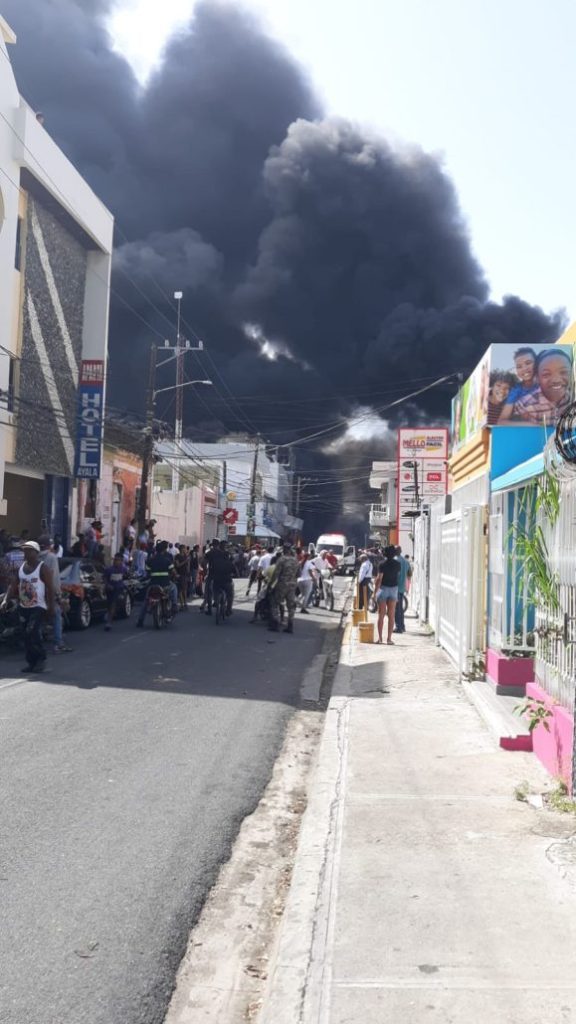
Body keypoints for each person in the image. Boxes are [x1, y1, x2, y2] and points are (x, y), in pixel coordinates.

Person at [3, 540, 55, 672]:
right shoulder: (21, 568)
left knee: (32, 632)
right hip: (23, 607)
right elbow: (12, 585)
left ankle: (41, 658)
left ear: (36, 553)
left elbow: (50, 589)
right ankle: (31, 662)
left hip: (38, 606)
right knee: (25, 635)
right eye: (24, 550)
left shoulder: (43, 568)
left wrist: (51, 607)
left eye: (28, 550)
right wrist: (5, 600)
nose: (25, 552)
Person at [513, 349, 572, 424]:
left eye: (564, 372)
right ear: (537, 378)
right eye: (546, 374)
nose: (556, 380)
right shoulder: (523, 406)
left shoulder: (572, 398)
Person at [39, 534, 72, 654]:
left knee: (41, 617)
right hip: (50, 591)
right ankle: (58, 643)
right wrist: (57, 594)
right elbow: (53, 577)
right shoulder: (51, 557)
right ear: (49, 545)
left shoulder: (35, 557)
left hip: (39, 592)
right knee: (57, 616)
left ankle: (38, 641)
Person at [136, 541, 178, 626]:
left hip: (153, 584)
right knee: (174, 588)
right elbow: (173, 572)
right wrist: (176, 575)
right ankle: (174, 605)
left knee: (146, 601)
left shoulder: (150, 560)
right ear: (164, 550)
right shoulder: (167, 560)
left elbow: (147, 572)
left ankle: (140, 620)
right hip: (165, 585)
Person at [497, 347, 538, 423]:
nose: (524, 368)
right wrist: (530, 425)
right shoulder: (516, 390)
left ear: (537, 363)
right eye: (519, 367)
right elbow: (501, 421)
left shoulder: (545, 384)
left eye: (528, 363)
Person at [373, 545, 400, 645]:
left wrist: (375, 592)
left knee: (381, 614)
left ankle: (380, 639)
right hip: (394, 589)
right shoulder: (398, 564)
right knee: (391, 615)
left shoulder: (382, 564)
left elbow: (379, 579)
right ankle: (389, 639)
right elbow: (396, 575)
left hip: (383, 588)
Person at [269, 545, 299, 634]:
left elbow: (276, 574)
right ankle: (290, 625)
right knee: (291, 606)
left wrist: (271, 585)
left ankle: (275, 624)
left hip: (282, 584)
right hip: (292, 585)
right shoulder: (296, 560)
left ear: (284, 551)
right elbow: (299, 574)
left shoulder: (281, 560)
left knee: (275, 603)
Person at [205, 539, 235, 615]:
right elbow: (233, 567)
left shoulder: (211, 553)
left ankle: (210, 608)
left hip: (213, 576)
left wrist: (206, 571)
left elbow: (204, 562)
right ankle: (228, 609)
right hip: (226, 578)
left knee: (209, 592)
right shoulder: (227, 554)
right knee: (230, 593)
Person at [104, 553, 128, 630]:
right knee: (109, 603)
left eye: (118, 560)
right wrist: (107, 585)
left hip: (118, 589)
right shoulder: (109, 569)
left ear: (121, 561)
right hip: (110, 589)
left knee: (113, 604)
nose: (116, 561)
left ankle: (109, 622)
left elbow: (126, 577)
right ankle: (109, 615)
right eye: (115, 559)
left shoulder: (123, 569)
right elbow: (105, 578)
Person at [394, 546, 410, 634]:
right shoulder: (405, 561)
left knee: (397, 609)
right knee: (400, 608)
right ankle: (402, 626)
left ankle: (398, 627)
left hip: (396, 586)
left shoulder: (395, 560)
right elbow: (409, 572)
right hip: (402, 586)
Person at [174, 544, 191, 610]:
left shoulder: (186, 556)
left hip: (185, 574)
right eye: (185, 548)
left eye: (186, 549)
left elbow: (188, 566)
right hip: (179, 574)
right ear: (181, 549)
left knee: (184, 590)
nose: (186, 550)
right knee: (180, 590)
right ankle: (182, 604)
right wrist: (185, 561)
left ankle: (185, 604)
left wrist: (188, 573)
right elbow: (177, 565)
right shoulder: (177, 556)